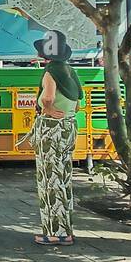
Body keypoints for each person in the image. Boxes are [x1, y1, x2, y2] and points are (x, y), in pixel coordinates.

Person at [31, 30, 82, 245]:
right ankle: (67, 230)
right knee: (64, 177)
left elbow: (48, 97)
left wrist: (48, 110)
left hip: (51, 127)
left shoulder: (51, 71)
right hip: (69, 125)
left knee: (49, 180)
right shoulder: (70, 71)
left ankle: (54, 233)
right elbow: (78, 102)